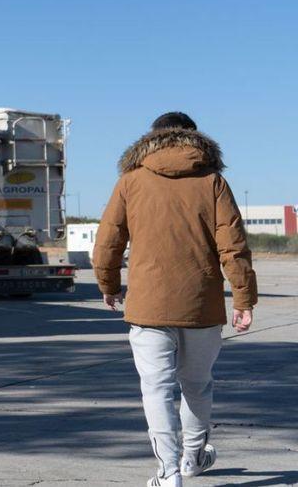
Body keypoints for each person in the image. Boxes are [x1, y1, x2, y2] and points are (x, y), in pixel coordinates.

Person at [93, 112, 257, 487]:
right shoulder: (213, 181)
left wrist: (108, 284)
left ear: (152, 138)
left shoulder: (130, 181)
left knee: (156, 389)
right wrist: (244, 300)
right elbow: (233, 246)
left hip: (148, 306)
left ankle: (167, 472)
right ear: (193, 139)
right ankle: (193, 458)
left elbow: (109, 240)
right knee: (196, 385)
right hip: (202, 306)